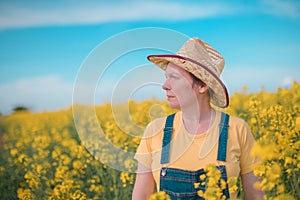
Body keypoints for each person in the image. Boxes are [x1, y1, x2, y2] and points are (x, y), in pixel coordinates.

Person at [132, 38, 263, 200]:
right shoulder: (155, 130)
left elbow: (257, 196)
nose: (165, 85)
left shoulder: (237, 129)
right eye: (166, 77)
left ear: (202, 86)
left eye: (174, 77)